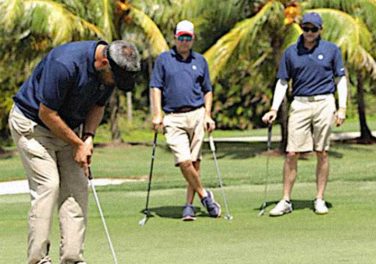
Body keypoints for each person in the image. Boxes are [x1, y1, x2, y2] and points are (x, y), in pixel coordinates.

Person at [8, 40, 141, 263]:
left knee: (77, 188)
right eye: (115, 80)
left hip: (69, 128)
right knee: (48, 186)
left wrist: (88, 138)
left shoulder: (109, 72)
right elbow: (46, 113)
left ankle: (72, 258)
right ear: (103, 62)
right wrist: (78, 144)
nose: (114, 84)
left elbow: (98, 106)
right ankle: (38, 259)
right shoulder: (65, 64)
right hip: (33, 125)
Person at [262, 12, 348, 216]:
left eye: (313, 29)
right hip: (299, 103)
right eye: (306, 28)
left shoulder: (331, 50)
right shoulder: (291, 52)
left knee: (322, 151)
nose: (309, 33)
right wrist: (274, 108)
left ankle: (319, 198)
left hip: (324, 102)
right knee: (292, 152)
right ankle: (285, 200)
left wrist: (342, 107)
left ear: (320, 30)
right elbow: (283, 82)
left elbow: (340, 80)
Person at [150, 20, 221, 221]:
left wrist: (207, 114)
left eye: (187, 38)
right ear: (175, 38)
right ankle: (205, 197)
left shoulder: (200, 61)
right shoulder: (164, 60)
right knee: (184, 161)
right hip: (173, 117)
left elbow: (207, 90)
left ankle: (189, 206)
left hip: (197, 114)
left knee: (195, 162)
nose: (184, 41)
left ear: (192, 39)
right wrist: (157, 114)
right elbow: (156, 87)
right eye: (181, 37)